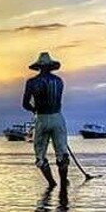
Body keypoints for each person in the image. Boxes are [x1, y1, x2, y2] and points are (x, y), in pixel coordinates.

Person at [22, 52, 69, 189]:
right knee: (62, 154)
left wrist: (34, 109)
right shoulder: (59, 81)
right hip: (57, 118)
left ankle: (52, 184)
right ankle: (63, 185)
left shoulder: (32, 82)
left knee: (40, 156)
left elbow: (25, 104)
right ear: (50, 67)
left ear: (39, 67)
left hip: (41, 118)